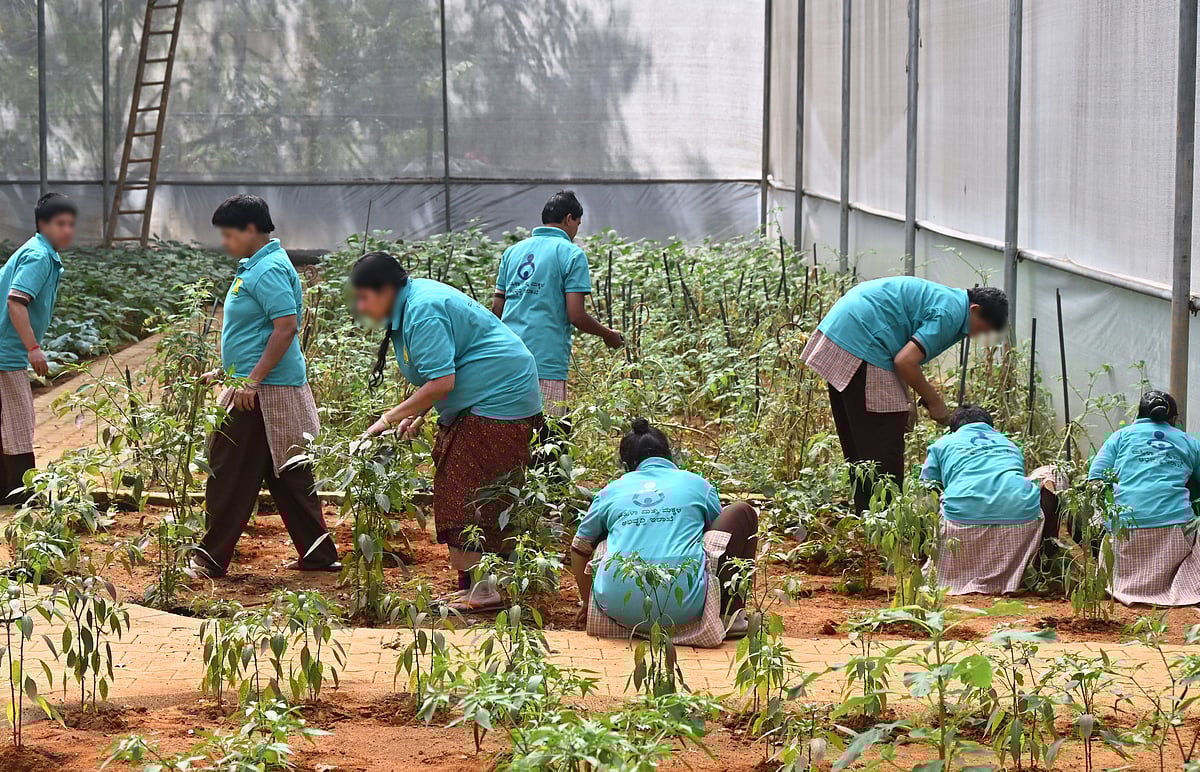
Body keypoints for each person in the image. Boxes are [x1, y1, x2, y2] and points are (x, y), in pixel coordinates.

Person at [354, 251, 543, 612]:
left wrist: (387, 420)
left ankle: (486, 590)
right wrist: (420, 411)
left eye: (365, 297)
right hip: (484, 400)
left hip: (499, 400)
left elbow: (443, 379)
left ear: (386, 290)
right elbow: (446, 368)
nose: (362, 306)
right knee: (463, 487)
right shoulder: (410, 306)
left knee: (472, 492)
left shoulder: (422, 310)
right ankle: (478, 585)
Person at [192, 195, 339, 578]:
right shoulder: (256, 266)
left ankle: (209, 559)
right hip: (257, 386)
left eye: (229, 234)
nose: (225, 242)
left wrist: (252, 380)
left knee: (227, 472)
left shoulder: (269, 269)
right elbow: (256, 332)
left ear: (251, 229)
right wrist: (227, 371)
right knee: (288, 474)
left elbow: (286, 327)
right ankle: (320, 556)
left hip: (265, 392)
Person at [801, 276, 1008, 512]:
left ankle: (867, 515)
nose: (976, 335)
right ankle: (885, 518)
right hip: (864, 339)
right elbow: (905, 360)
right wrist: (935, 402)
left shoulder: (948, 299)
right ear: (975, 309)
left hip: (846, 329)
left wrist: (908, 398)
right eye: (981, 329)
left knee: (861, 439)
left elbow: (901, 348)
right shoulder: (950, 314)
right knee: (882, 441)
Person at [570, 418, 758, 647]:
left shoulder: (611, 490)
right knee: (742, 512)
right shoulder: (697, 484)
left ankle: (605, 602)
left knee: (603, 534)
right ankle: (732, 616)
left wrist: (587, 602)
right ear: (670, 457)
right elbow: (718, 541)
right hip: (684, 605)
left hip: (616, 607)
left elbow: (579, 547)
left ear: (627, 465)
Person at [491, 191, 623, 420]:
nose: (576, 231)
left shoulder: (512, 252)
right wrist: (608, 334)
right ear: (569, 219)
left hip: (507, 356)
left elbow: (497, 310)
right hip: (545, 359)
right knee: (546, 436)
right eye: (578, 224)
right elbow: (576, 315)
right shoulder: (571, 254)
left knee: (511, 432)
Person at [921, 404, 1062, 595]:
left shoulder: (942, 444)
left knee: (927, 497)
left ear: (953, 430)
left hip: (960, 522)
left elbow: (927, 487)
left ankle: (924, 555)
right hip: (1021, 520)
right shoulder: (1009, 444)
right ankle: (1045, 558)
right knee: (1054, 473)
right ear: (991, 427)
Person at [1088, 390, 1200, 606]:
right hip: (1174, 530)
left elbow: (1095, 479)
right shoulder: (1189, 441)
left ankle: (1118, 582)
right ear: (1173, 419)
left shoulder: (1120, 436)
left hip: (1124, 530)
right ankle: (1184, 586)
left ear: (1138, 416)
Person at [0, 193, 75, 503]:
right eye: (60, 224)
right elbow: (16, 302)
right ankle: (20, 495)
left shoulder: (40, 252)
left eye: (71, 224)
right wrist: (33, 348)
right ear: (42, 225)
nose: (68, 230)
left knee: (7, 420)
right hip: (6, 353)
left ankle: (8, 493)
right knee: (18, 421)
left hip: (6, 351)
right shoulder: (39, 256)